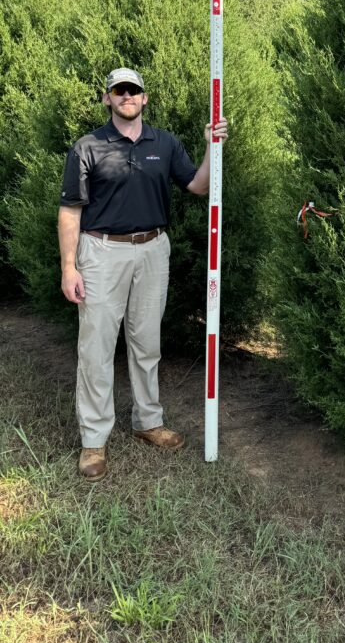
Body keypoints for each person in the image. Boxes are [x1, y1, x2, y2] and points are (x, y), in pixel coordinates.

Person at [58, 68, 229, 481]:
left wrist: (212, 148)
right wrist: (69, 266)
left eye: (133, 89)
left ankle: (148, 421)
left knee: (146, 341)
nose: (127, 95)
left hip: (153, 249)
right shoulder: (87, 147)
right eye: (119, 90)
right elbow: (70, 211)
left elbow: (198, 185)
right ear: (107, 98)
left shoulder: (164, 143)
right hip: (101, 252)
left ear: (144, 97)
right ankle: (94, 440)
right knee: (96, 348)